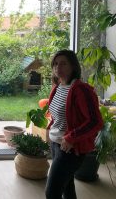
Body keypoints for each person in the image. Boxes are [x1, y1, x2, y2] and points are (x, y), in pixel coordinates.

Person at [45, 49, 103, 199]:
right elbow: (62, 116)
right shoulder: (58, 87)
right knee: (67, 188)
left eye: (63, 63)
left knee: (52, 192)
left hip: (71, 149)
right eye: (55, 64)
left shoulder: (82, 90)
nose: (58, 67)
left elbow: (95, 121)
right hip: (56, 144)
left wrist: (71, 137)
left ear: (73, 66)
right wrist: (50, 127)